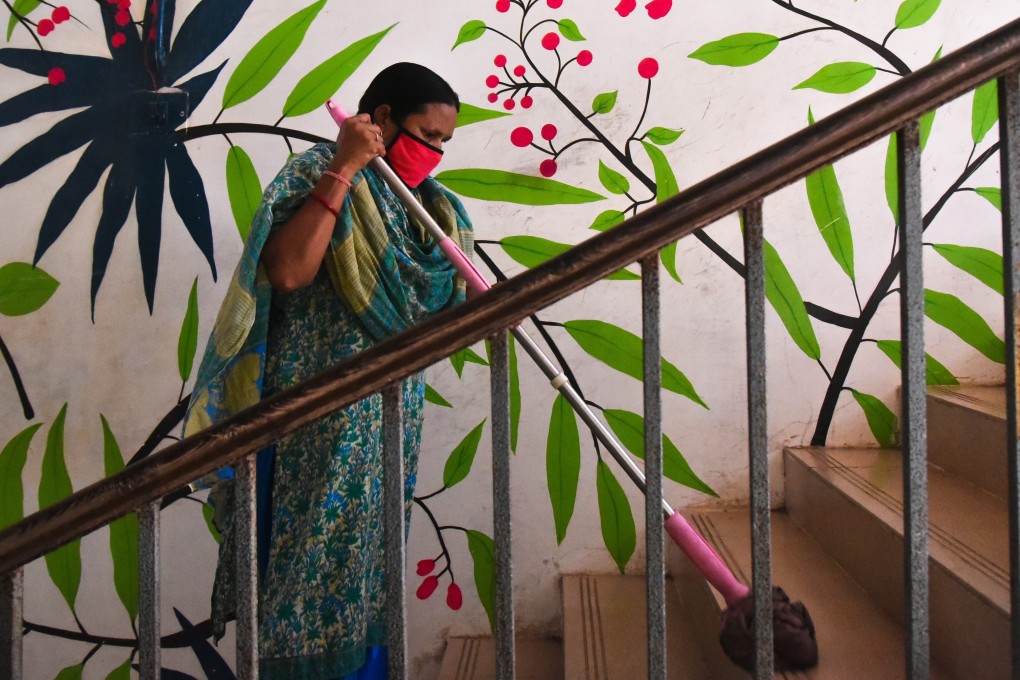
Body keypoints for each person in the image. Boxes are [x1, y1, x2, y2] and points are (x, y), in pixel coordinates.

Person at [182, 62, 473, 680]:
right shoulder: (317, 172)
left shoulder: (432, 211)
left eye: (444, 142)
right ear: (383, 118)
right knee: (299, 572)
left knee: (367, 571)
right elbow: (289, 272)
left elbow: (444, 309)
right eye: (426, 135)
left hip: (389, 422)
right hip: (309, 421)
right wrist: (345, 167)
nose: (434, 152)